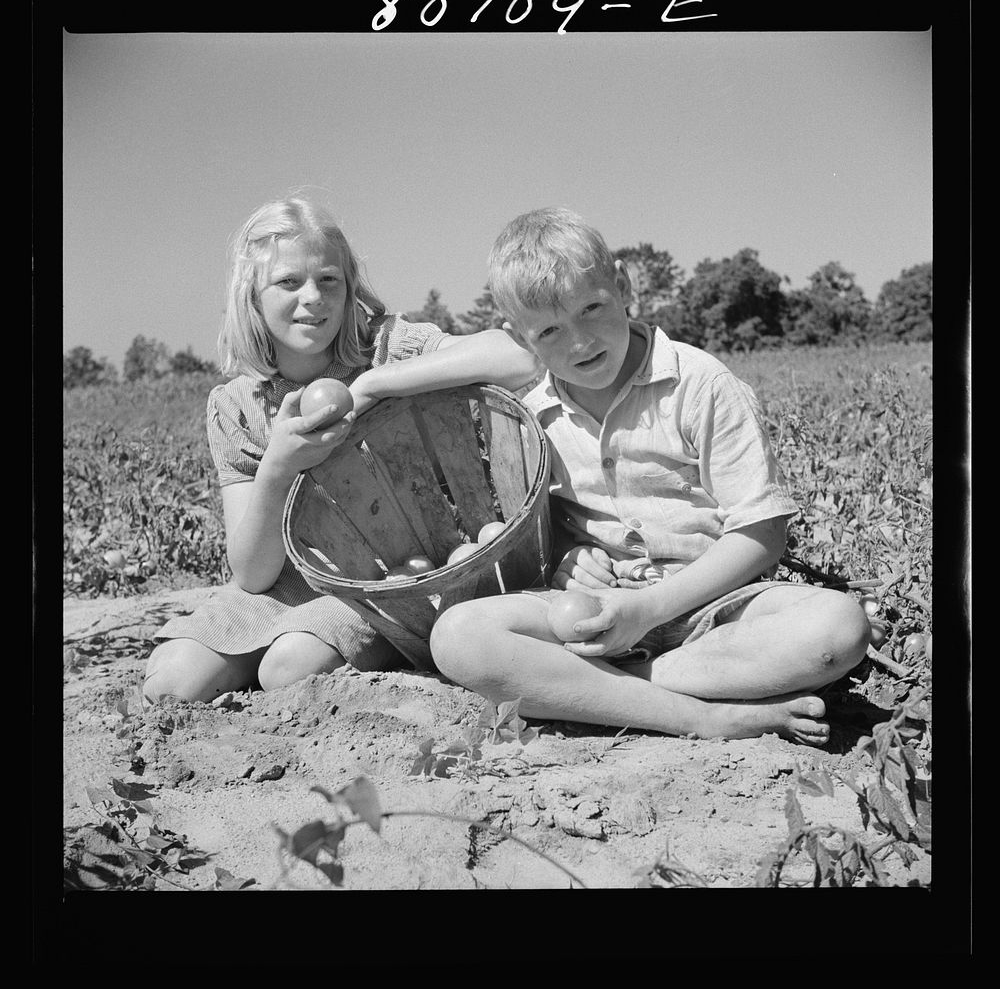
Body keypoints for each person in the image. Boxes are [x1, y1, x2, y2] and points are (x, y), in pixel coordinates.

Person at [429, 207, 871, 745]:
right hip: (597, 617)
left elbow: (762, 533)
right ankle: (703, 716)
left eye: (592, 308)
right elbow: (549, 537)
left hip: (714, 609)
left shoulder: (699, 383)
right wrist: (571, 558)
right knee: (456, 637)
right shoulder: (529, 418)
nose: (580, 342)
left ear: (622, 285)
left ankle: (611, 691)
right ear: (520, 340)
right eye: (549, 330)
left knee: (838, 627)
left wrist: (648, 610)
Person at [143, 196, 540, 703]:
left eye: (328, 280)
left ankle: (391, 641)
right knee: (174, 681)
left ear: (350, 286)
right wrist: (278, 466)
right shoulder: (236, 405)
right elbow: (252, 573)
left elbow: (516, 356)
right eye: (288, 282)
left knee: (289, 667)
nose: (313, 298)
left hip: (393, 579)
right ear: (252, 295)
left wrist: (377, 383)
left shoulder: (389, 346)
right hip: (289, 584)